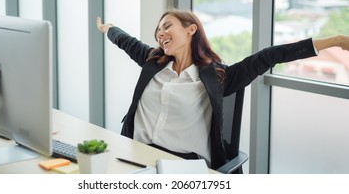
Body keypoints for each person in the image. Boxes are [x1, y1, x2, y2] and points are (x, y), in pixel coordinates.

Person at [96, 9, 349, 170]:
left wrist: (336, 41)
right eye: (158, 30)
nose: (160, 33)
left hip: (184, 166)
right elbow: (126, 41)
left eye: (167, 26)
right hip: (136, 155)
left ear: (190, 29)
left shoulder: (218, 76)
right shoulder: (153, 61)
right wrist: (109, 29)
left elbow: (272, 55)